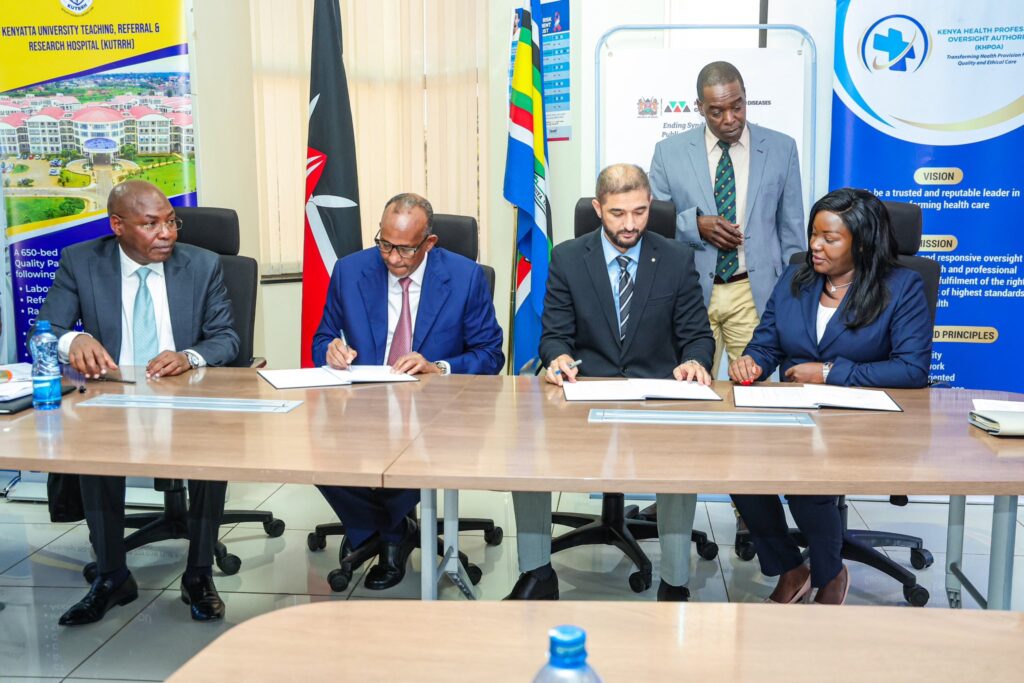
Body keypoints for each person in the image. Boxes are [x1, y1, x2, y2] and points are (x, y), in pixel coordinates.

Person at [508, 164, 714, 601]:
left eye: (640, 212)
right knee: (526, 453)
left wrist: (695, 361)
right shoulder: (568, 257)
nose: (630, 224)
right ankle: (537, 574)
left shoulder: (675, 258)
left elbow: (697, 334)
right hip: (587, 393)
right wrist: (557, 356)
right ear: (598, 208)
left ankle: (675, 582)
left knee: (681, 462)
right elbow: (554, 334)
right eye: (618, 213)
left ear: (650, 205)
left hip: (655, 396)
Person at [37, 180, 240, 626]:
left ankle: (199, 574)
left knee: (213, 452)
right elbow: (46, 328)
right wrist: (74, 339)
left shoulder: (202, 264)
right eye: (151, 224)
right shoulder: (82, 262)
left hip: (184, 395)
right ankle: (112, 576)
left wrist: (189, 356)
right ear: (117, 225)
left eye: (171, 221)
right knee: (93, 451)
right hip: (115, 394)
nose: (167, 233)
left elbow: (227, 338)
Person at [728, 187, 932, 605]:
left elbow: (912, 369)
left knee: (807, 478)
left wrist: (829, 373)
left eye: (830, 238)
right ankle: (791, 568)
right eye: (813, 234)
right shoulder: (796, 277)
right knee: (736, 470)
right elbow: (766, 344)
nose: (815, 246)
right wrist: (750, 363)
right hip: (793, 416)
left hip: (864, 422)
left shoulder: (902, 286)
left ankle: (831, 572)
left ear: (863, 243)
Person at [311, 192, 503, 590]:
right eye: (385, 244)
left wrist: (439, 367)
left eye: (405, 249)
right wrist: (331, 349)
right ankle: (393, 529)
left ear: (429, 242)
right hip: (365, 403)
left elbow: (490, 354)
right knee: (311, 451)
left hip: (435, 410)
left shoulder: (465, 277)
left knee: (418, 447)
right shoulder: (350, 270)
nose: (393, 258)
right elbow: (322, 338)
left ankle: (376, 531)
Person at [649, 60, 804, 375]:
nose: (730, 119)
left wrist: (793, 296)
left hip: (753, 293)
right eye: (717, 112)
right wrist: (696, 225)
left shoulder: (781, 149)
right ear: (699, 108)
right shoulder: (668, 152)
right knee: (687, 387)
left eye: (737, 106)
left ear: (745, 96)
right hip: (690, 293)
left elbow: (792, 229)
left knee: (753, 390)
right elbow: (654, 224)